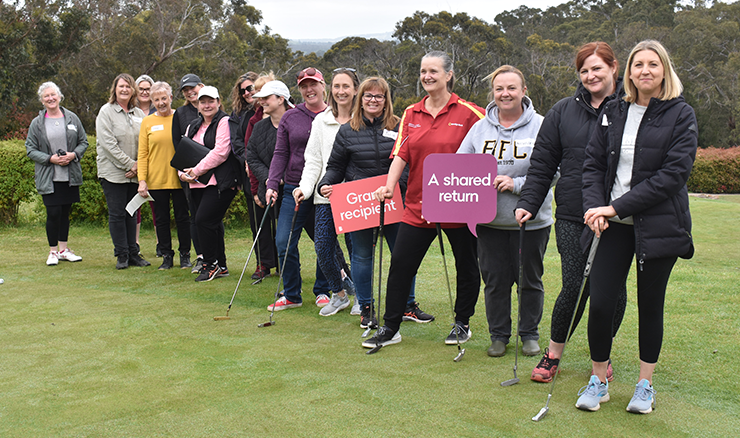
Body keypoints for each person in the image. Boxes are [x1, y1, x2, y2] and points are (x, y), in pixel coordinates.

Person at [575, 40, 697, 414]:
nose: (645, 70)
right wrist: (596, 209)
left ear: (665, 70)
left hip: (657, 225)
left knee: (650, 306)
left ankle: (644, 386)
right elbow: (593, 165)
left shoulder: (682, 114)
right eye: (638, 64)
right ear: (628, 72)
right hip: (610, 225)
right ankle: (599, 381)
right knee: (601, 305)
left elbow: (672, 176)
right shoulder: (614, 109)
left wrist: (613, 207)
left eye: (653, 64)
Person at [515, 42, 628, 383]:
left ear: (613, 68)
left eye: (597, 68)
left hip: (618, 215)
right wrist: (528, 203)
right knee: (573, 285)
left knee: (612, 290)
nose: (591, 75)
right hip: (573, 212)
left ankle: (601, 354)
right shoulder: (563, 111)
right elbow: (543, 163)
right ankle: (553, 355)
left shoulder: (633, 107)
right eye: (584, 70)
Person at [366, 51, 484, 349]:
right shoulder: (411, 113)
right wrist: (389, 186)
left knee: (467, 266)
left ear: (448, 75)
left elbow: (491, 148)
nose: (427, 76)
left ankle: (462, 323)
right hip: (418, 206)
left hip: (459, 204)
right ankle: (391, 327)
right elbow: (401, 154)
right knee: (402, 264)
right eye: (422, 71)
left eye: (433, 71)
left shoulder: (471, 112)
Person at [319, 76, 434, 327]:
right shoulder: (347, 131)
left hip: (395, 200)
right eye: (368, 96)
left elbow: (409, 162)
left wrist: (395, 185)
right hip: (360, 202)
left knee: (403, 256)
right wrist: (326, 183)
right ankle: (367, 308)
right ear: (360, 99)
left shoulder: (401, 126)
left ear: (386, 100)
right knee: (361, 257)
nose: (373, 100)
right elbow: (335, 167)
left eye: (378, 96)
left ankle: (408, 305)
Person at [457, 65, 549, 358]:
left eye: (511, 88)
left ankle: (529, 334)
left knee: (529, 281)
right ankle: (499, 335)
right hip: (490, 222)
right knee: (495, 282)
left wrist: (517, 183)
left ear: (524, 91)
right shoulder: (480, 128)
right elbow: (461, 166)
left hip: (531, 221)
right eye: (499, 89)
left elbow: (553, 170)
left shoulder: (542, 126)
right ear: (493, 93)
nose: (505, 94)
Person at [264, 67, 334, 311]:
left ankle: (324, 290)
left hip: (325, 191)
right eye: (304, 86)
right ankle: (292, 294)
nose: (309, 89)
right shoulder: (290, 117)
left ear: (323, 86)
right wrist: (272, 183)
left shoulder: (335, 115)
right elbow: (280, 153)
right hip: (294, 188)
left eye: (313, 84)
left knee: (325, 243)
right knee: (283, 242)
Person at [295, 68, 360, 317]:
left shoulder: (363, 119)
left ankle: (363, 298)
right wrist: (305, 187)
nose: (341, 91)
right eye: (336, 86)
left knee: (357, 251)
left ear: (355, 89)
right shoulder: (321, 120)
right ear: (330, 89)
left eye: (346, 86)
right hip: (326, 196)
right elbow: (313, 160)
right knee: (323, 247)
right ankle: (339, 293)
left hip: (355, 197)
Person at [180, 86, 243, 282]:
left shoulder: (225, 121)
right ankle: (221, 265)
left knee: (203, 220)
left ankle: (210, 263)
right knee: (211, 224)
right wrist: (182, 174)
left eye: (211, 101)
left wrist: (196, 170)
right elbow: (184, 152)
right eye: (202, 102)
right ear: (197, 105)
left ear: (218, 102)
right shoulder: (192, 126)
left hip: (221, 183)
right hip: (196, 184)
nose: (207, 105)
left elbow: (221, 152)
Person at [25, 82, 88, 266]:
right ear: (42, 100)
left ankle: (63, 250)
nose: (50, 98)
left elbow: (83, 142)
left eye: (53, 95)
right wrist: (49, 159)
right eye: (46, 96)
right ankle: (52, 251)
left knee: (64, 213)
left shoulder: (72, 118)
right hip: (49, 177)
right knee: (53, 212)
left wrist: (73, 154)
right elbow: (30, 149)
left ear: (59, 96)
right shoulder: (37, 123)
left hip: (69, 176)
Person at [96, 73, 150, 269]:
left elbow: (145, 142)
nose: (125, 90)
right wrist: (130, 164)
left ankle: (133, 253)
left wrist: (138, 167)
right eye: (121, 86)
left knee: (132, 213)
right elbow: (108, 144)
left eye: (128, 86)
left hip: (134, 174)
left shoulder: (138, 114)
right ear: (115, 89)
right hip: (113, 173)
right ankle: (122, 255)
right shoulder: (106, 112)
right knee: (118, 214)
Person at [137, 81, 192, 270]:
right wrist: (142, 181)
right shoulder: (147, 122)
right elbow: (142, 154)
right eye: (156, 99)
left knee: (183, 218)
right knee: (161, 220)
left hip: (179, 178)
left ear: (170, 98)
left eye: (164, 98)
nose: (161, 103)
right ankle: (167, 256)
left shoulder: (180, 117)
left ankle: (185, 254)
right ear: (152, 101)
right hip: (156, 180)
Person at [246, 80, 293, 286]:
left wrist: (284, 175)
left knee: (309, 234)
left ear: (281, 99)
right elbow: (252, 156)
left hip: (296, 188)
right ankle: (284, 274)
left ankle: (341, 272)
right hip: (270, 188)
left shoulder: (297, 122)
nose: (262, 102)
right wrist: (270, 177)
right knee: (278, 235)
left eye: (266, 98)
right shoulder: (259, 127)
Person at [172, 73, 206, 273]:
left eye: (192, 87)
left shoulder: (212, 107)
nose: (189, 92)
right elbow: (177, 143)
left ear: (201, 86)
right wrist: (183, 171)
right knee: (194, 215)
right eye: (185, 90)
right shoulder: (181, 113)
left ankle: (215, 257)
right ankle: (201, 256)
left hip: (211, 169)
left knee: (209, 215)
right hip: (188, 172)